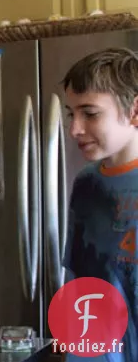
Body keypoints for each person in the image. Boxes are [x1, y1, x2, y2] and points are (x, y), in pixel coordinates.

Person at [61, 47, 138, 362]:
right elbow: (79, 285)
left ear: (134, 112)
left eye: (89, 113)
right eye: (71, 113)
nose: (75, 129)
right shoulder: (86, 184)